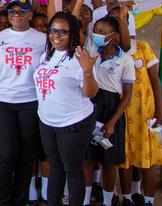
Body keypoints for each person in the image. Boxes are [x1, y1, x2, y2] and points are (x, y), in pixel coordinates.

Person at [0, 0, 47, 206]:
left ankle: (20, 199)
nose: (16, 14)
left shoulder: (42, 39)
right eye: (12, 11)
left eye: (21, 11)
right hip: (2, 102)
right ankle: (2, 200)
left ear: (30, 14)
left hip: (31, 102)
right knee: (6, 154)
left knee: (26, 156)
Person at [34, 12, 98, 206]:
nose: (56, 35)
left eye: (63, 32)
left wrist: (87, 71)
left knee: (73, 170)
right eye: (53, 30)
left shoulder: (80, 57)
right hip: (47, 121)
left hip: (73, 122)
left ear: (73, 34)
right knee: (55, 168)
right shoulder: (47, 54)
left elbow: (91, 93)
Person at [83, 16, 135, 206]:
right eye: (96, 31)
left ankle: (107, 201)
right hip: (90, 105)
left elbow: (127, 95)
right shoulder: (90, 51)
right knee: (87, 159)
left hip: (112, 108)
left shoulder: (125, 60)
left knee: (108, 161)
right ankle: (85, 200)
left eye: (103, 32)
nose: (98, 35)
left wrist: (112, 122)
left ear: (114, 36)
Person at [118, 37, 162, 206]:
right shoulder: (113, 51)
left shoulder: (143, 47)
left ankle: (149, 200)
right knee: (125, 157)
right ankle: (128, 197)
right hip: (121, 113)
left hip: (145, 111)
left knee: (147, 156)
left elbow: (155, 80)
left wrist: (159, 111)